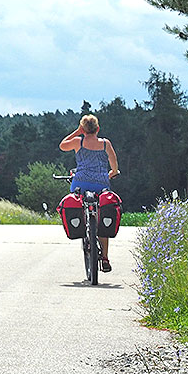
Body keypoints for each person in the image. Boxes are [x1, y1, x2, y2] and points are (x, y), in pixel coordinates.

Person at [59, 115, 120, 272]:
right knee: (101, 215)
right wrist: (111, 173)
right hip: (101, 184)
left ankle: (83, 225)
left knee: (79, 203)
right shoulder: (106, 144)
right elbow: (114, 166)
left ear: (83, 129)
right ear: (98, 129)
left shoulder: (77, 141)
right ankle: (105, 257)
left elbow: (62, 145)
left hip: (80, 183)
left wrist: (76, 132)